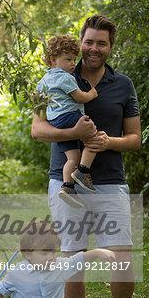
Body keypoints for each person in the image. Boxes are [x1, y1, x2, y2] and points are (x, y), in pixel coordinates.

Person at [31, 14, 145, 298]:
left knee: (122, 261)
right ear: (80, 41)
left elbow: (135, 139)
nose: (94, 48)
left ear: (110, 47)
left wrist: (105, 141)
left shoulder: (123, 85)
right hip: (65, 181)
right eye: (89, 41)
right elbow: (38, 129)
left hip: (111, 182)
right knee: (73, 260)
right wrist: (76, 134)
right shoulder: (54, 77)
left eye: (102, 43)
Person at [36, 35, 98, 208]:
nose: (73, 64)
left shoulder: (43, 80)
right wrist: (92, 94)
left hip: (55, 120)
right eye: (68, 59)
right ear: (53, 60)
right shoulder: (65, 77)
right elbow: (80, 97)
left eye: (74, 59)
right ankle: (83, 171)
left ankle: (68, 187)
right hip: (69, 115)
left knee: (72, 157)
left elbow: (38, 98)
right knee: (94, 136)